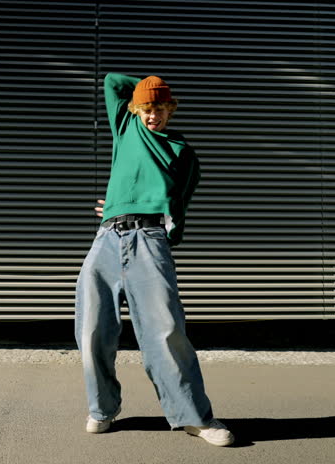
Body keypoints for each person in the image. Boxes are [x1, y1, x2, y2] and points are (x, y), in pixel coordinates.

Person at [74, 72, 234, 447]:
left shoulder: (181, 150)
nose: (153, 115)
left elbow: (182, 200)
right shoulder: (126, 126)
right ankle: (102, 409)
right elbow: (113, 80)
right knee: (91, 327)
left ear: (170, 110)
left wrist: (167, 233)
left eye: (161, 108)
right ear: (137, 108)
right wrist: (115, 206)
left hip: (149, 238)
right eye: (147, 108)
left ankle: (194, 417)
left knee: (165, 331)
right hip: (107, 237)